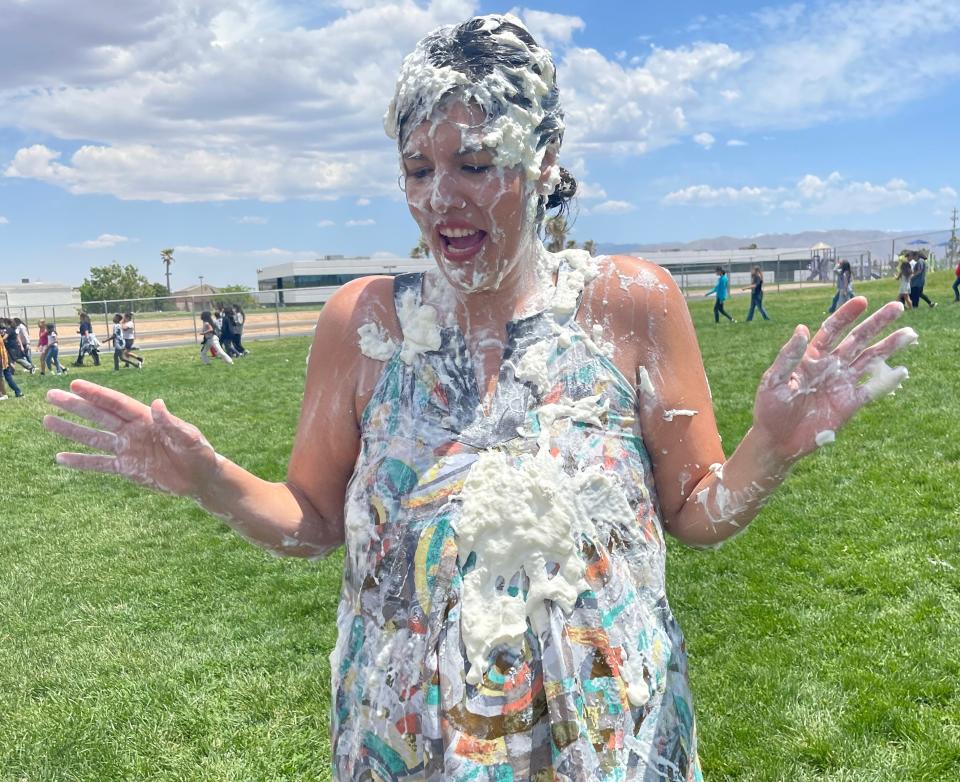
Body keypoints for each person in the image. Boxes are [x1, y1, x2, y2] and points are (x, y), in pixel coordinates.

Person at [43, 14, 916, 780]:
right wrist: (209, 480)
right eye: (417, 168)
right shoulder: (364, 324)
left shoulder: (629, 306)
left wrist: (771, 449)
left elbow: (694, 510)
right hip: (411, 736)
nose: (440, 199)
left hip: (609, 737)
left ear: (543, 160)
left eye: (473, 162)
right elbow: (313, 518)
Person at [0, 332, 24, 398]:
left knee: (2, 378)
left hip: (2, 359)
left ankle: (3, 395)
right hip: (4, 358)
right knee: (8, 377)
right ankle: (18, 392)